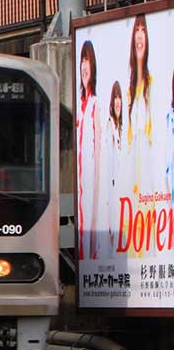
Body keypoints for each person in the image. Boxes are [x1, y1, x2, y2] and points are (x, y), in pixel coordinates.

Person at [127, 14, 153, 258]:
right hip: (130, 182)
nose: (139, 34)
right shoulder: (128, 87)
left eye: (143, 29)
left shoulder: (150, 83)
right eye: (137, 29)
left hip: (148, 182)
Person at [76, 39, 101, 261]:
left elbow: (99, 153)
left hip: (90, 180)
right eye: (82, 59)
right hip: (80, 182)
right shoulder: (79, 106)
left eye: (88, 60)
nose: (84, 65)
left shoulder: (95, 105)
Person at [102, 82, 124, 259]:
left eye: (120, 98)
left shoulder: (122, 129)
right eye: (115, 97)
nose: (118, 102)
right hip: (111, 194)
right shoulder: (109, 127)